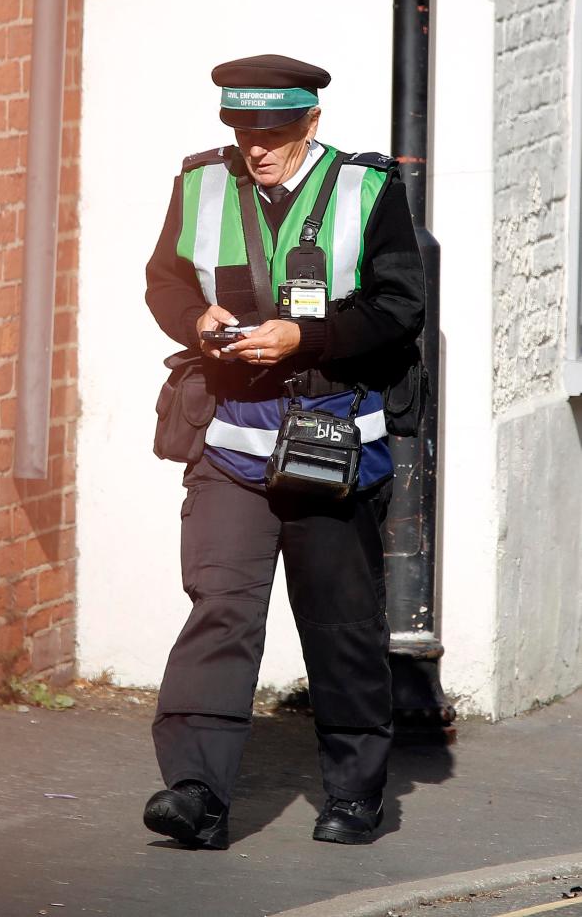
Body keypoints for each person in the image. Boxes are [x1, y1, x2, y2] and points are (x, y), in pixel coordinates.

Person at [142, 54, 425, 850]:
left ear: (311, 122)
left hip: (331, 444)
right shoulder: (200, 183)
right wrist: (195, 320)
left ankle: (354, 791)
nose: (254, 146)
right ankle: (195, 790)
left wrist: (306, 336)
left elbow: (398, 307)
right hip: (229, 443)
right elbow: (164, 280)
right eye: (240, 129)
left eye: (271, 131)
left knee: (337, 622)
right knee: (220, 608)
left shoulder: (368, 189)